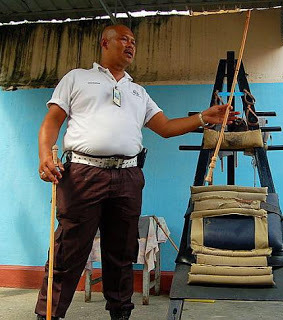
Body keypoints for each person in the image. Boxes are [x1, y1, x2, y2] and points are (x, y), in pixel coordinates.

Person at [35, 24, 239, 320]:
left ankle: (121, 313)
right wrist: (44, 156)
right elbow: (52, 120)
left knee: (122, 253)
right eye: (123, 39)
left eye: (133, 41)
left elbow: (166, 128)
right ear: (105, 42)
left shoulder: (137, 91)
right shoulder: (78, 78)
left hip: (128, 178)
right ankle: (48, 315)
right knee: (69, 249)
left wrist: (201, 118)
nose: (130, 45)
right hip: (82, 174)